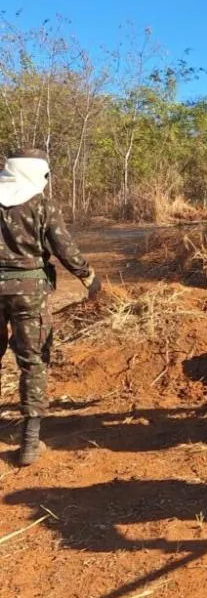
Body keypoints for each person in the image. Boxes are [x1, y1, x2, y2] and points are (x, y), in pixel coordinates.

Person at [0, 148, 101, 466]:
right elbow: (63, 247)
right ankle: (29, 442)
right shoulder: (42, 204)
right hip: (29, 292)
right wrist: (88, 276)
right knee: (32, 361)